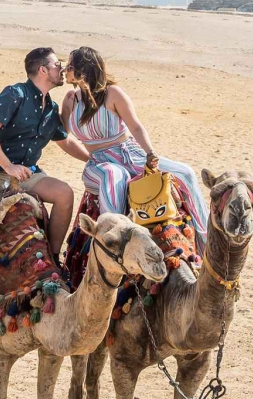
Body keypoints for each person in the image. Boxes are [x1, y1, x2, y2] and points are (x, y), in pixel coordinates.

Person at [0, 47, 90, 314]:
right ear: (43, 70)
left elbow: (65, 141)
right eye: (57, 65)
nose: (61, 69)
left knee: (64, 194)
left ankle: (52, 263)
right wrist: (8, 166)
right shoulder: (15, 94)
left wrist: (94, 159)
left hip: (27, 172)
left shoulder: (50, 108)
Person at [61, 47, 209, 251]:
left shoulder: (112, 94)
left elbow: (136, 126)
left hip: (130, 153)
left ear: (83, 70)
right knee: (113, 175)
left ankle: (206, 241)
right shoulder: (70, 99)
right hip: (99, 162)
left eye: (70, 66)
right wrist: (87, 157)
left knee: (186, 172)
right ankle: (113, 247)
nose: (65, 70)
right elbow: (61, 135)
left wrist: (150, 152)